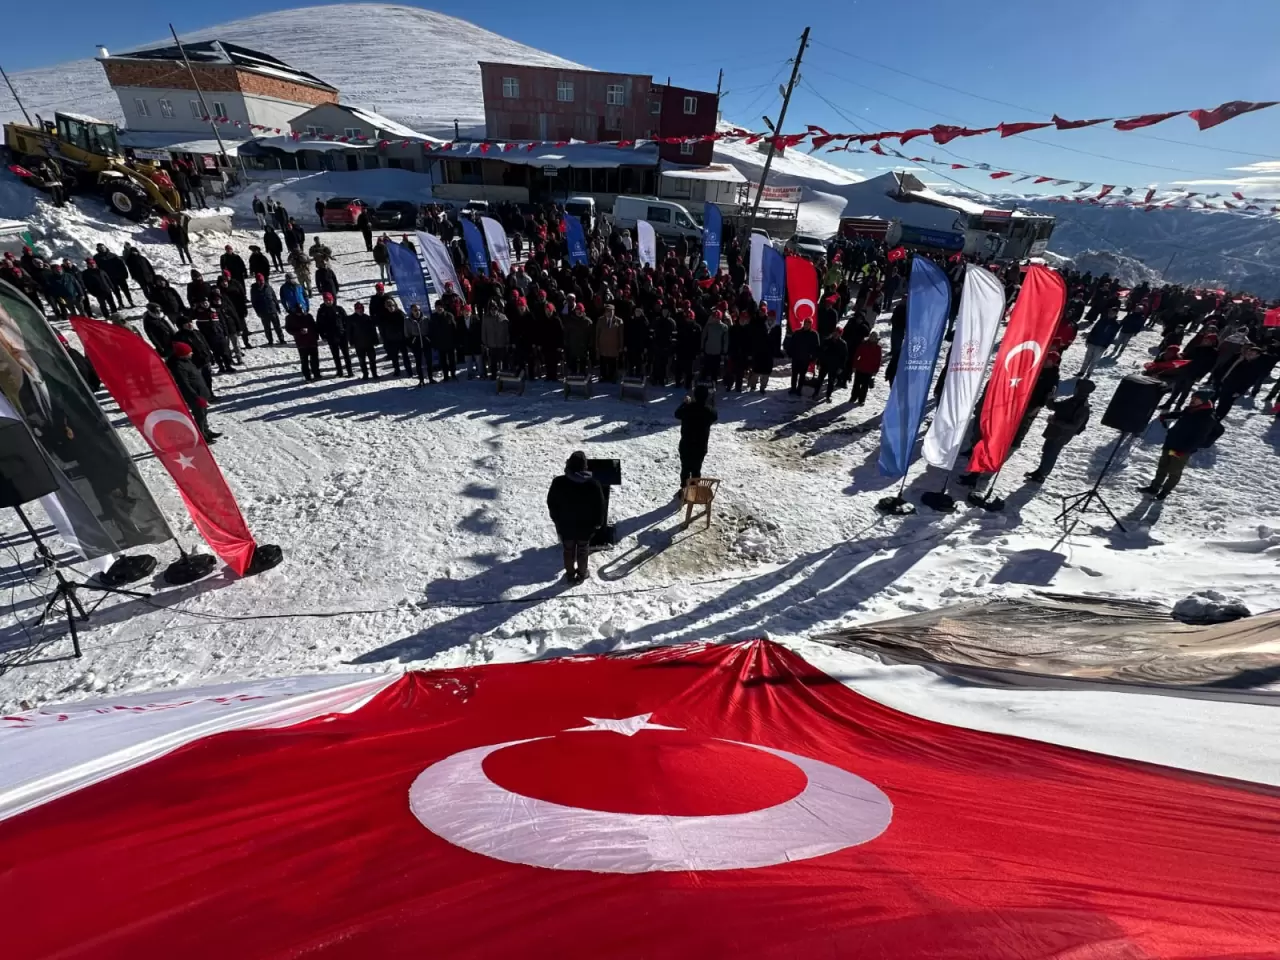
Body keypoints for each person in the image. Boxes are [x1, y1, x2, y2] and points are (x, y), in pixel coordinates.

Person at [1137, 392, 1220, 500]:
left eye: (1196, 399)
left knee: (1174, 471)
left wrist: (1185, 450)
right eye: (1192, 397)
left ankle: (1165, 492)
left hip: (1181, 449)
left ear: (1203, 401)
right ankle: (1154, 487)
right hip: (1171, 443)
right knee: (1163, 466)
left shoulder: (1207, 418)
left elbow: (1199, 438)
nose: (1192, 400)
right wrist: (1167, 416)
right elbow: (1181, 414)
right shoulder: (1191, 409)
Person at [546, 450, 606, 584]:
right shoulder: (593, 484)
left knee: (568, 550)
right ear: (585, 466)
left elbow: (551, 503)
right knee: (583, 550)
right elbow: (600, 506)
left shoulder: (558, 482)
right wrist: (598, 523)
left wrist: (556, 519)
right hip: (586, 527)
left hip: (565, 525)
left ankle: (570, 574)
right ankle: (582, 573)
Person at [1025, 379, 1095, 483]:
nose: (1075, 389)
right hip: (1055, 432)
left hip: (1061, 435)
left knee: (1051, 454)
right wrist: (1050, 398)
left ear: (1081, 390)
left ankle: (1042, 475)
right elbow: (1055, 407)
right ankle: (1040, 471)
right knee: (1047, 451)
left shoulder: (1083, 408)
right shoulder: (1073, 400)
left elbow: (1074, 426)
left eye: (1077, 387)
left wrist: (1055, 421)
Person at [167, 342, 219, 443]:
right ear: (182, 354)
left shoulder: (186, 361)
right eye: (189, 352)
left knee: (203, 413)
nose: (191, 353)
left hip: (201, 392)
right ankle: (201, 436)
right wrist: (196, 397)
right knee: (199, 416)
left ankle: (206, 431)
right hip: (194, 395)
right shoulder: (178, 366)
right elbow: (184, 384)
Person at [675, 384, 718, 491]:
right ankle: (693, 490)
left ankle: (684, 489)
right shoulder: (709, 411)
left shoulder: (687, 408)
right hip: (700, 446)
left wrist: (685, 403)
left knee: (685, 469)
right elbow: (715, 415)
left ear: (694, 395)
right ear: (706, 397)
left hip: (686, 444)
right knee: (696, 469)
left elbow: (677, 414)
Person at [1215, 344, 1265, 420]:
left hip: (1235, 389)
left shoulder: (1256, 366)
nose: (1249, 354)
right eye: (1249, 352)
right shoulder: (1241, 360)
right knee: (1220, 401)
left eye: (1252, 354)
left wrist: (1240, 391)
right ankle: (1213, 417)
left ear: (1257, 356)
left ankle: (1217, 419)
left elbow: (1250, 381)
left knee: (1225, 404)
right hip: (1226, 383)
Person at [1078, 307, 1121, 379]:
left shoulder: (1115, 324)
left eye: (1113, 313)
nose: (1111, 314)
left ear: (1116, 314)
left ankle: (1089, 373)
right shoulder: (1102, 320)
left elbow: (1112, 336)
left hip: (1101, 345)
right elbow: (1094, 330)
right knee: (1087, 358)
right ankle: (1082, 372)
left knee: (1095, 360)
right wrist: (1088, 339)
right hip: (1092, 341)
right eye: (1110, 312)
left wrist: (1106, 345)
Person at [317, 293, 353, 377]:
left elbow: (346, 321)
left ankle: (350, 371)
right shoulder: (321, 311)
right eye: (326, 300)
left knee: (346, 354)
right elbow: (319, 324)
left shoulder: (339, 309)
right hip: (331, 336)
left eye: (329, 300)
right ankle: (339, 371)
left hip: (342, 335)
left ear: (332, 300)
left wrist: (347, 332)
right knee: (336, 355)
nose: (328, 302)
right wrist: (323, 335)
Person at [284, 303, 321, 381]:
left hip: (312, 340)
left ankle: (316, 373)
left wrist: (316, 336)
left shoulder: (308, 316)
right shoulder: (290, 318)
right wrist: (299, 332)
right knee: (304, 360)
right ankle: (307, 376)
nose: (300, 314)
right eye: (298, 312)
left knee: (314, 359)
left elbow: (314, 326)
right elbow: (289, 329)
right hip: (301, 342)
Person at [813, 329, 849, 402]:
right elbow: (821, 352)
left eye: (837, 333)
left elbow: (844, 357)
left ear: (840, 334)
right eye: (835, 332)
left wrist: (841, 367)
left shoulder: (843, 344)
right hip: (824, 364)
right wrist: (819, 363)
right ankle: (815, 393)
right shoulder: (827, 341)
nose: (835, 334)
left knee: (831, 382)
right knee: (820, 380)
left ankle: (828, 396)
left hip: (834, 366)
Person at [787, 318, 820, 396]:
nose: (807, 325)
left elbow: (816, 347)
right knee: (794, 374)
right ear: (803, 324)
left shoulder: (814, 334)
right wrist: (790, 353)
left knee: (802, 375)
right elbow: (791, 344)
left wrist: (813, 358)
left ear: (811, 325)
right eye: (806, 324)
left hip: (806, 358)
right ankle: (793, 388)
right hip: (796, 357)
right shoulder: (797, 332)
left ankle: (799, 389)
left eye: (809, 324)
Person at [348, 302, 380, 380]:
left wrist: (376, 340)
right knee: (362, 360)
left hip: (369, 343)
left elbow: (373, 330)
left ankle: (374, 373)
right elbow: (349, 332)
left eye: (361, 309)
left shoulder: (367, 318)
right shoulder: (351, 319)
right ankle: (365, 374)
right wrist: (351, 342)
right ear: (355, 310)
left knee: (372, 359)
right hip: (359, 344)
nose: (360, 310)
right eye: (358, 309)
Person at [250, 273, 285, 345]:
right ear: (257, 281)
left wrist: (277, 307)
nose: (262, 282)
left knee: (277, 326)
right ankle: (270, 340)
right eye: (260, 281)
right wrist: (258, 312)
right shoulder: (254, 290)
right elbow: (254, 302)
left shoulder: (268, 287)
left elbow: (274, 297)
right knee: (267, 328)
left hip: (272, 310)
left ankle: (281, 339)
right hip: (263, 312)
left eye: (262, 280)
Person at [405, 303, 433, 385]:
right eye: (415, 310)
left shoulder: (425, 318)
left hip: (426, 342)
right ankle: (421, 380)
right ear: (411, 311)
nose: (417, 312)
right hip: (416, 343)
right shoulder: (408, 321)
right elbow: (407, 334)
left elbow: (430, 330)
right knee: (418, 362)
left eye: (418, 310)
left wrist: (429, 340)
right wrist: (411, 344)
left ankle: (431, 378)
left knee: (429, 361)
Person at [850, 334, 882, 406]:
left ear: (876, 338)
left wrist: (875, 370)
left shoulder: (878, 348)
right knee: (856, 384)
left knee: (865, 386)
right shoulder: (863, 344)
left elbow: (878, 360)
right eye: (871, 336)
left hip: (869, 370)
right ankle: (853, 397)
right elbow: (857, 355)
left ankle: (861, 400)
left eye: (874, 337)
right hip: (860, 368)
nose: (872, 338)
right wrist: (854, 366)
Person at [481, 301, 510, 378]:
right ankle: (494, 375)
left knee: (503, 361)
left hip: (501, 343)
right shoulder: (486, 318)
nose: (493, 311)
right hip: (491, 344)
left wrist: (507, 341)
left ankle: (505, 375)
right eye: (492, 309)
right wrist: (484, 342)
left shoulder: (503, 317)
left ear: (497, 309)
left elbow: (506, 331)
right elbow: (484, 331)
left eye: (495, 309)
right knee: (493, 361)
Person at [596, 304, 623, 382]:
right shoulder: (600, 320)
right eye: (608, 311)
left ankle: (613, 377)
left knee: (613, 363)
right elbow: (597, 334)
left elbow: (621, 335)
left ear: (614, 311)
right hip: (603, 346)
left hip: (613, 346)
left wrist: (621, 346)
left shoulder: (619, 321)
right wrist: (597, 346)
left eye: (611, 311)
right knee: (603, 362)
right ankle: (603, 377)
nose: (609, 313)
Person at [700, 309, 729, 382]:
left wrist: (724, 352)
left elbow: (725, 341)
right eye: (714, 317)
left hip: (717, 352)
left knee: (715, 370)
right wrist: (702, 348)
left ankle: (714, 382)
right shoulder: (708, 326)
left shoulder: (724, 327)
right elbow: (703, 337)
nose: (715, 319)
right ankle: (703, 382)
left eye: (717, 317)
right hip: (708, 350)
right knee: (705, 368)